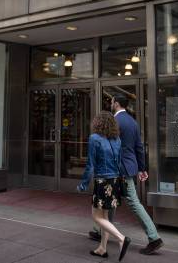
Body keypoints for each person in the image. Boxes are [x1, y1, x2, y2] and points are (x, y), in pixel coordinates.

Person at [90, 94, 164, 255]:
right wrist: (142, 168)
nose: (110, 104)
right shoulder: (133, 122)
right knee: (111, 202)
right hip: (130, 166)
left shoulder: (114, 122)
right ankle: (101, 230)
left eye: (111, 102)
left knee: (132, 202)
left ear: (116, 104)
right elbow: (139, 146)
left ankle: (154, 237)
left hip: (117, 169)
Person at [78, 111, 131, 261]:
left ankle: (121, 238)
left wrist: (83, 184)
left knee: (96, 216)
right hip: (114, 180)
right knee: (105, 216)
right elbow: (119, 161)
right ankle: (102, 248)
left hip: (102, 181)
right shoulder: (117, 139)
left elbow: (90, 165)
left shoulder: (94, 138)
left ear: (98, 123)